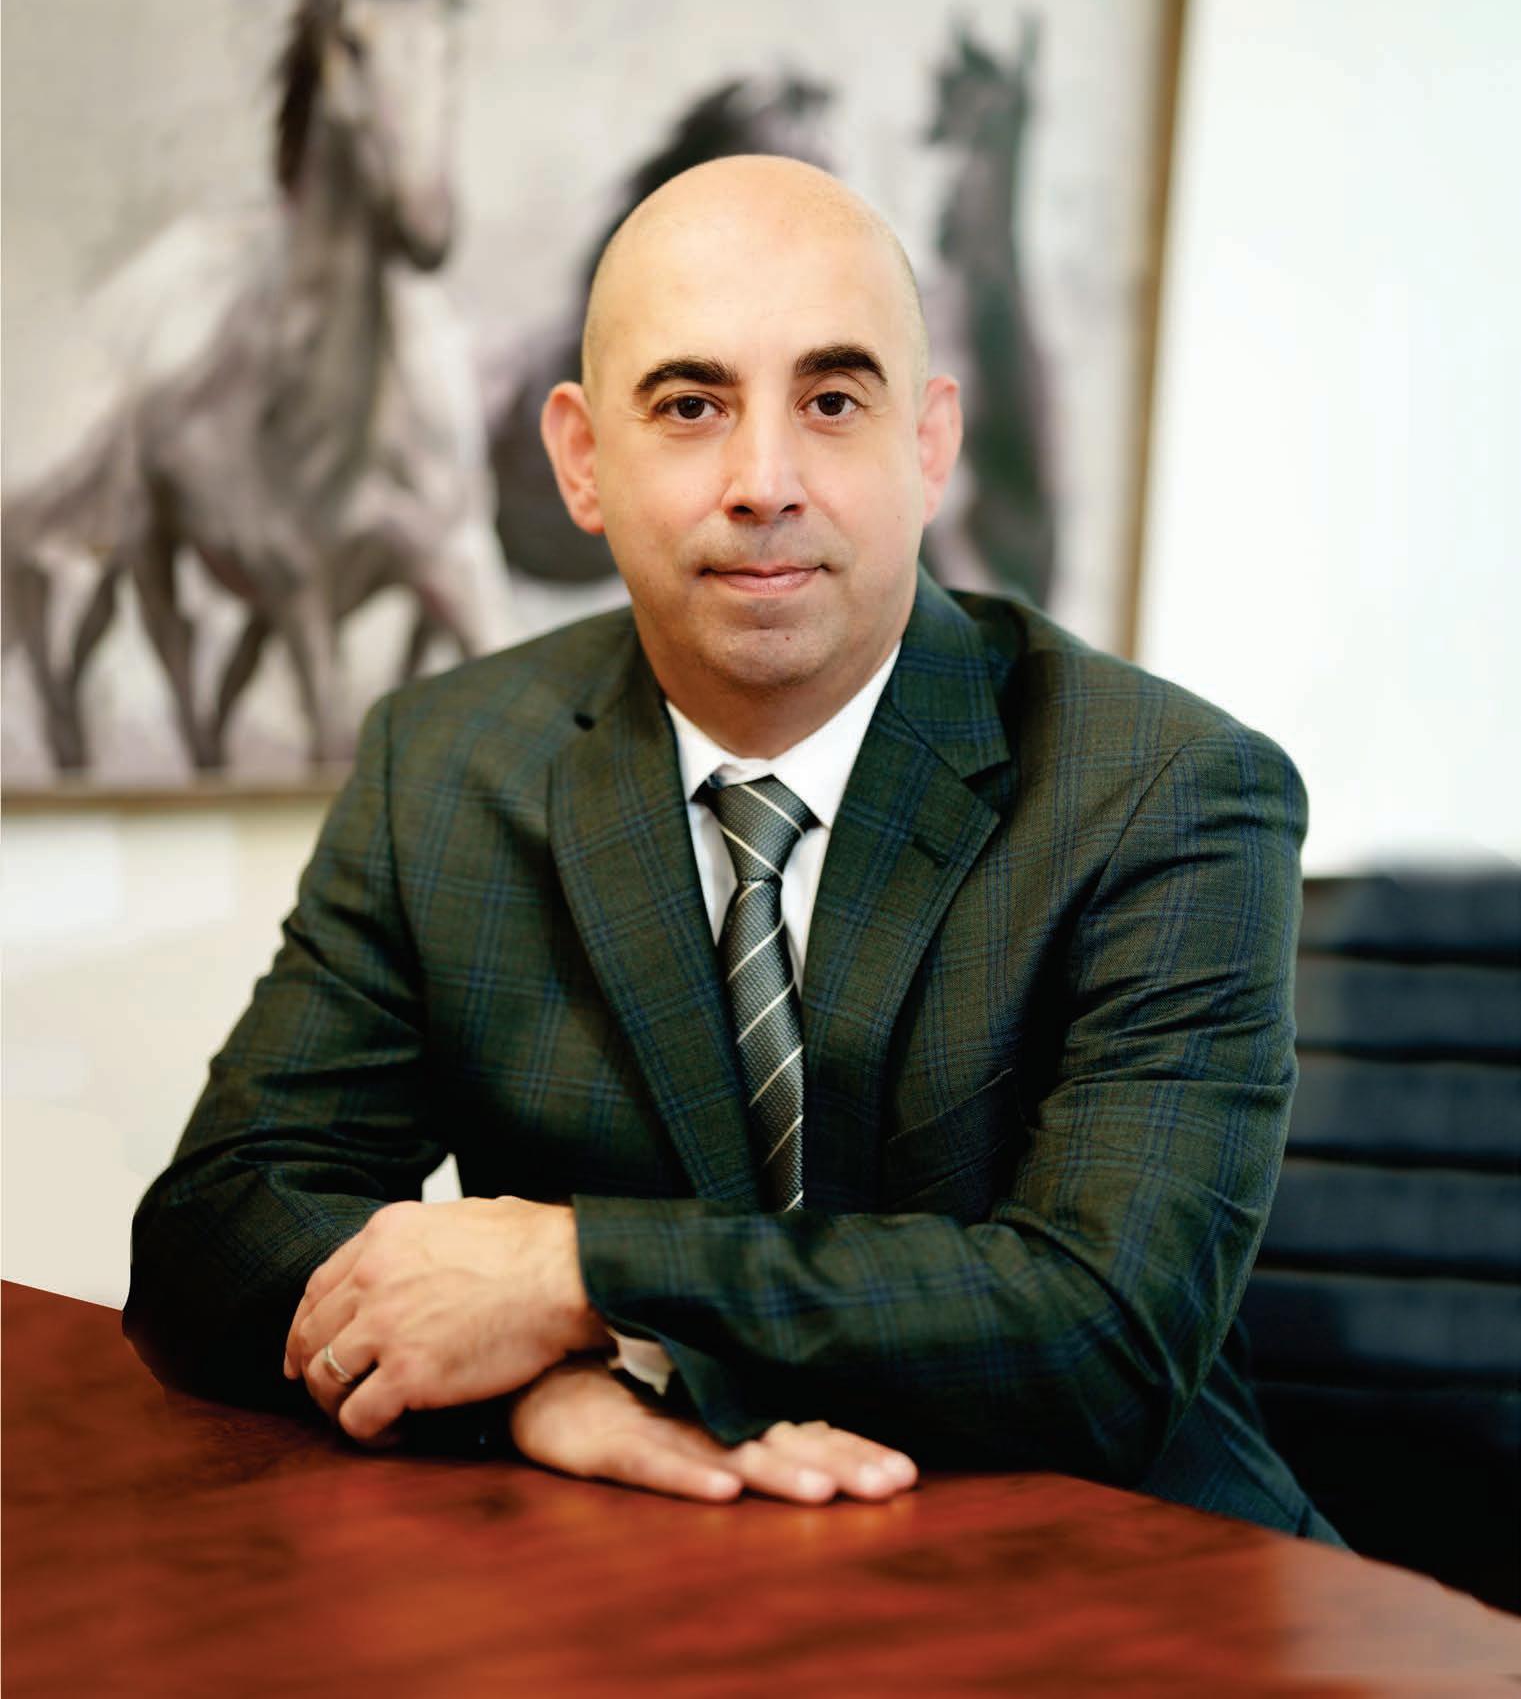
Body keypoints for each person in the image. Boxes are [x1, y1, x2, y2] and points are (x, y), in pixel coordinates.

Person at [126, 156, 1339, 1537]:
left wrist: (575, 1274)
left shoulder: (1167, 793)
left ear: (928, 445)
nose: (764, 482)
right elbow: (214, 1233)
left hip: (1115, 1569)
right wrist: (540, 1393)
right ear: (582, 460)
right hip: (636, 1572)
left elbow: (1102, 1336)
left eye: (832, 402)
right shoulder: (445, 767)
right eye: (691, 406)